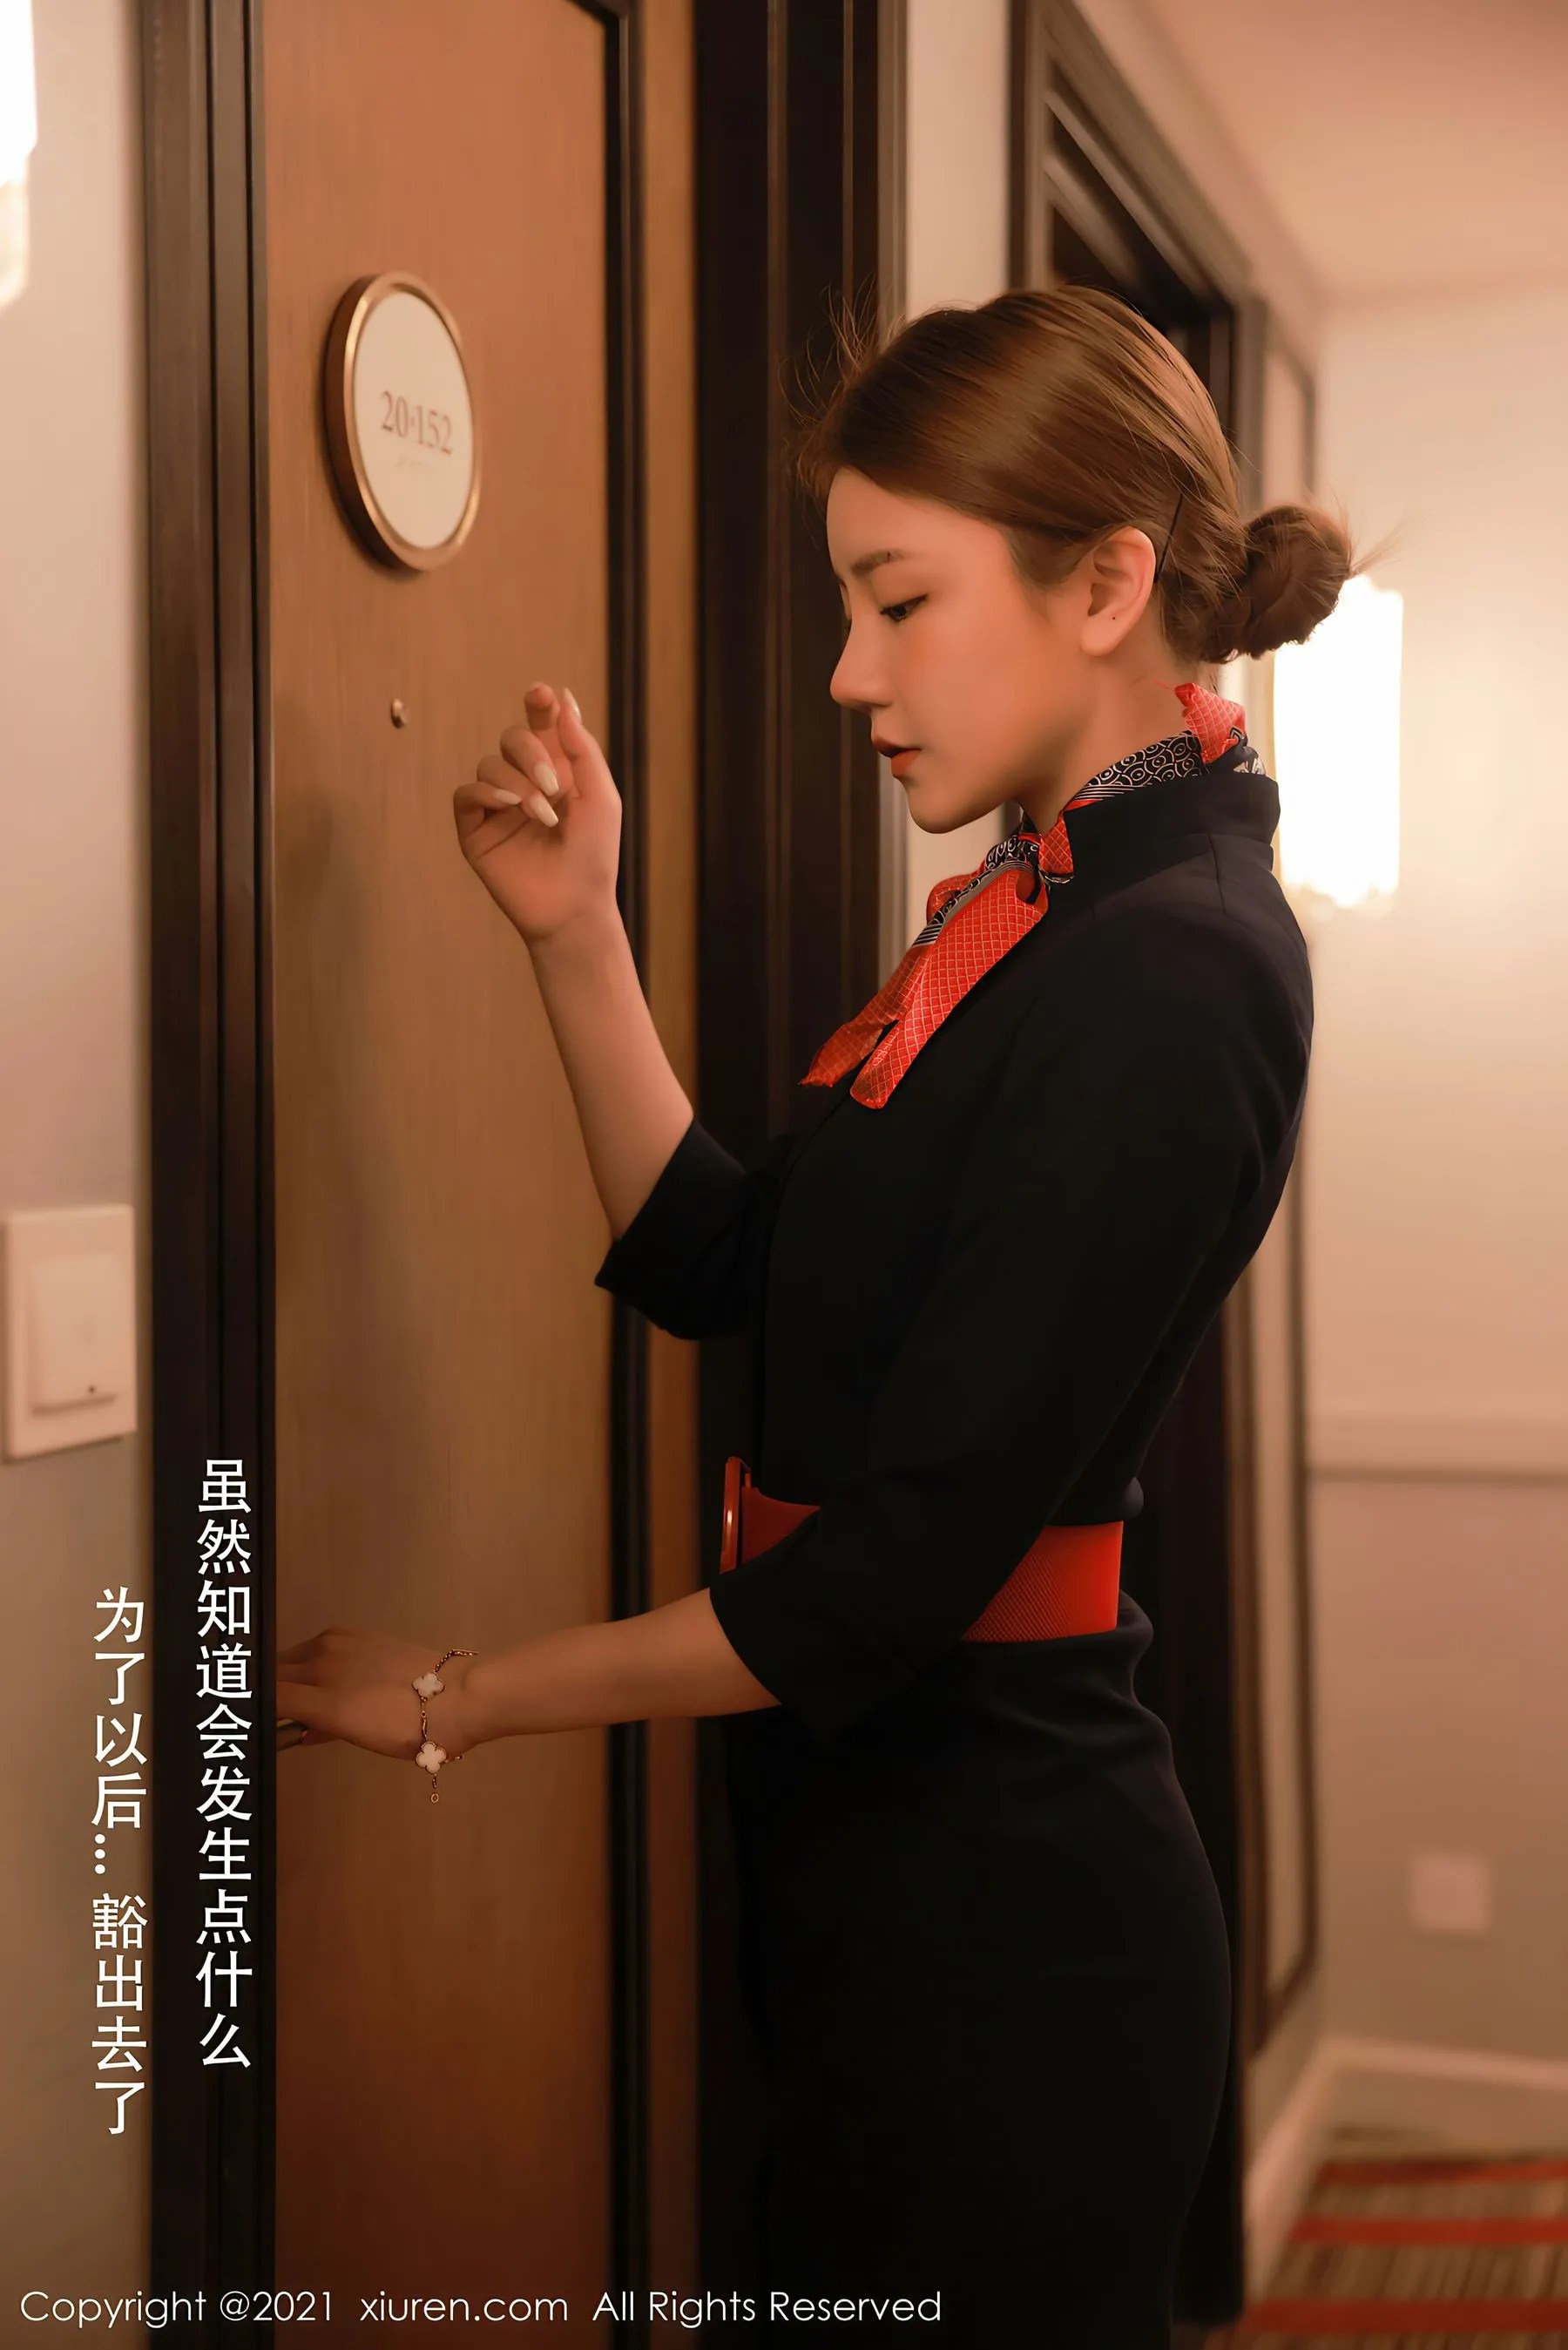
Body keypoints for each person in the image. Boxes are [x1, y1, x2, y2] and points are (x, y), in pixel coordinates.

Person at [278, 285, 1385, 2344]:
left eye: (899, 601)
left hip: (1011, 1933)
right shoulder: (1040, 906)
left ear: (1104, 584)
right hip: (885, 1870)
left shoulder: (1176, 965)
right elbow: (733, 1265)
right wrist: (579, 934)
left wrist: (457, 1695)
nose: (848, 669)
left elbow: (884, 1577)